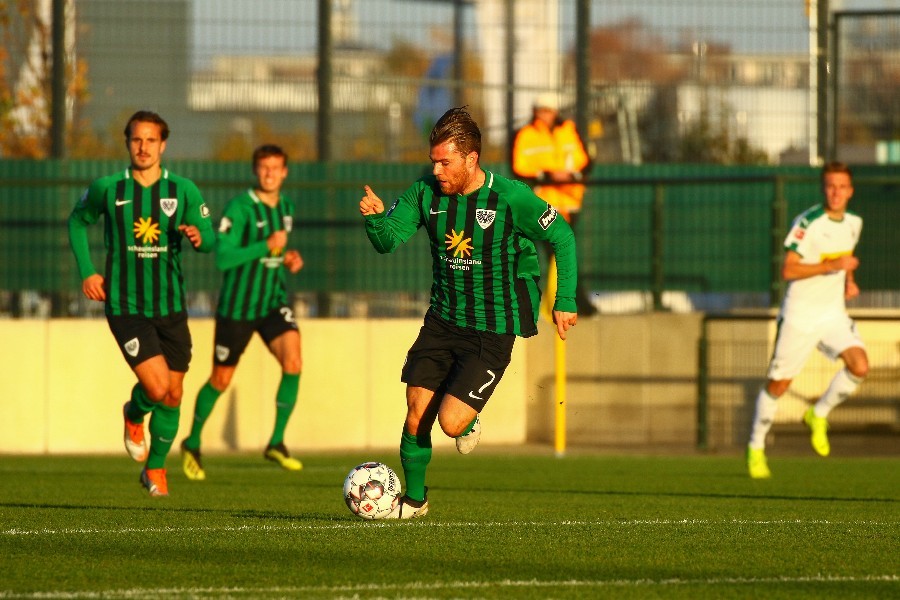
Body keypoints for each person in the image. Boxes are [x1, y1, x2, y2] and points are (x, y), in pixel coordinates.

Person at [359, 107, 579, 518]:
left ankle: (468, 417)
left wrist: (564, 299)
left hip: (492, 328)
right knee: (415, 409)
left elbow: (562, 236)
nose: (437, 170)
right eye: (434, 161)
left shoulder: (510, 198)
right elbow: (388, 241)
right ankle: (415, 501)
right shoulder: (424, 194)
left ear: (471, 158)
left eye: (446, 162)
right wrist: (375, 220)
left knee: (451, 423)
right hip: (442, 320)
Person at [67, 110, 215, 497]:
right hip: (126, 305)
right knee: (156, 385)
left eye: (151, 140)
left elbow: (211, 237)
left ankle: (155, 470)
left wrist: (200, 237)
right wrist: (88, 270)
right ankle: (133, 415)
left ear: (163, 145)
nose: (144, 147)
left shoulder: (182, 190)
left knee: (174, 394)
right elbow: (77, 221)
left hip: (171, 306)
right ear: (127, 142)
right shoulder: (108, 188)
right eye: (137, 139)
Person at [180, 144, 305, 481]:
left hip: (272, 302)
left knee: (293, 362)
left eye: (276, 168)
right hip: (237, 308)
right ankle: (192, 442)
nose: (269, 173)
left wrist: (287, 258)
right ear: (255, 170)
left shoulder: (287, 208)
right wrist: (266, 245)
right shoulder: (240, 208)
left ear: (284, 172)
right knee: (221, 379)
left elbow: (276, 252)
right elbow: (223, 257)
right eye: (264, 167)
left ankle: (276, 441)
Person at [746, 161, 867, 479]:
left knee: (860, 365)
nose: (836, 192)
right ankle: (756, 447)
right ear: (823, 188)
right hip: (800, 316)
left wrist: (848, 280)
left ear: (850, 191)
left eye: (842, 186)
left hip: (832, 314)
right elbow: (788, 269)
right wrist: (831, 267)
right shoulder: (808, 222)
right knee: (779, 384)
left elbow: (846, 256)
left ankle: (818, 414)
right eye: (830, 185)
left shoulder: (854, 223)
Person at [511, 93, 596, 316]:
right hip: (543, 205)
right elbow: (520, 167)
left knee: (561, 253)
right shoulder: (526, 135)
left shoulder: (568, 130)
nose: (545, 115)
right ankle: (565, 303)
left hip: (569, 203)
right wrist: (549, 174)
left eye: (549, 110)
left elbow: (584, 162)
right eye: (542, 110)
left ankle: (568, 302)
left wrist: (569, 175)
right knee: (552, 253)